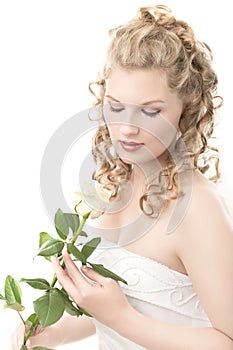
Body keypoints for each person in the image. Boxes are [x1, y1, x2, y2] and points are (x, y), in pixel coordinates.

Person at [11, 4, 233, 349]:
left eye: (150, 110)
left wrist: (120, 318)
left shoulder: (197, 207)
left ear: (186, 106)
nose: (127, 128)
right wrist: (56, 332)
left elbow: (227, 340)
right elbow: (130, 301)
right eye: (115, 106)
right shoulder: (118, 180)